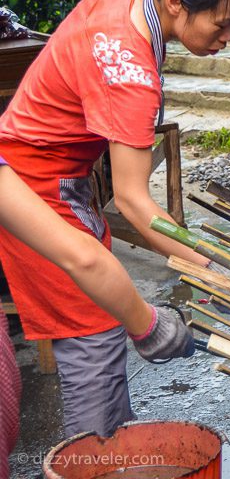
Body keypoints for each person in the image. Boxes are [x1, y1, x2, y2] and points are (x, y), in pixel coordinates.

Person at [0, 0, 230, 438]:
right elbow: (135, 203)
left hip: (50, 172)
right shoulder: (129, 74)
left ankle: (114, 449)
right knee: (94, 331)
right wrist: (211, 275)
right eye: (221, 25)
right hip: (34, 180)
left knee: (102, 313)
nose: (228, 39)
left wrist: (208, 273)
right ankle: (94, 459)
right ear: (175, 4)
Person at [0, 155, 194, 476]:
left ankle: (108, 458)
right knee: (93, 337)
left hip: (47, 209)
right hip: (47, 214)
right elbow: (89, 254)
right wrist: (148, 326)